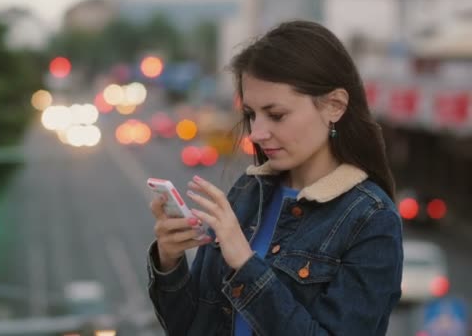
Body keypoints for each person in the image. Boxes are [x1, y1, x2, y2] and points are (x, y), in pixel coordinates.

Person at [146, 20, 403, 336]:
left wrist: (246, 265)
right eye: (251, 114)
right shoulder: (247, 191)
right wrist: (169, 260)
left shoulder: (371, 219)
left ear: (334, 106)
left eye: (277, 115)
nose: (256, 133)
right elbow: (187, 327)